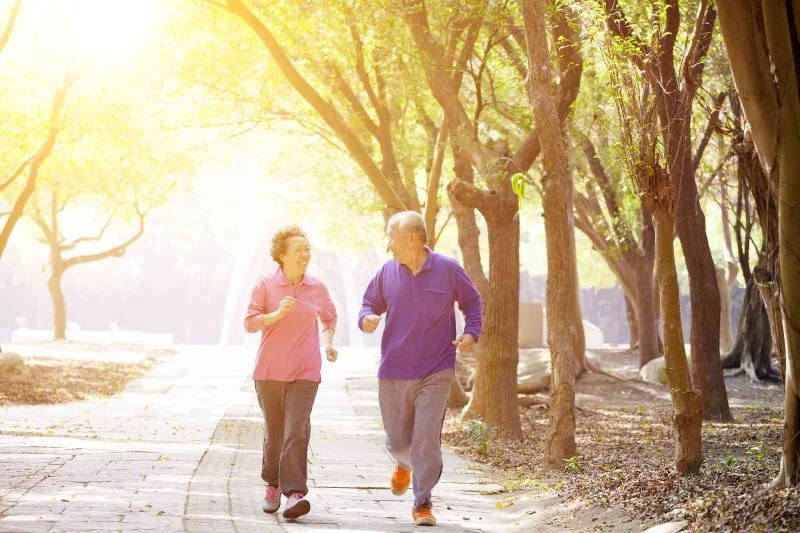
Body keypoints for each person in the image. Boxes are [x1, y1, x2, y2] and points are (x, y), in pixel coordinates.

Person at [359, 210, 482, 527]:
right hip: (394, 370)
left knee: (426, 438)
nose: (390, 246)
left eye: (393, 239)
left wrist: (471, 333)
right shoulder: (387, 272)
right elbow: (369, 304)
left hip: (436, 369)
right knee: (398, 438)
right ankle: (404, 461)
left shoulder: (448, 269)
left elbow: (472, 302)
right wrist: (367, 319)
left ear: (411, 238)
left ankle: (422, 501)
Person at [244, 225, 337, 520]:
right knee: (275, 434)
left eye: (307, 249)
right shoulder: (265, 286)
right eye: (299, 249)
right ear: (281, 255)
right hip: (269, 371)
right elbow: (250, 322)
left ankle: (295, 494)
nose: (305, 254)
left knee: (296, 430)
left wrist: (330, 343)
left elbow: (329, 318)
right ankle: (272, 484)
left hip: (306, 371)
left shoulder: (317, 288)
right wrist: (276, 314)